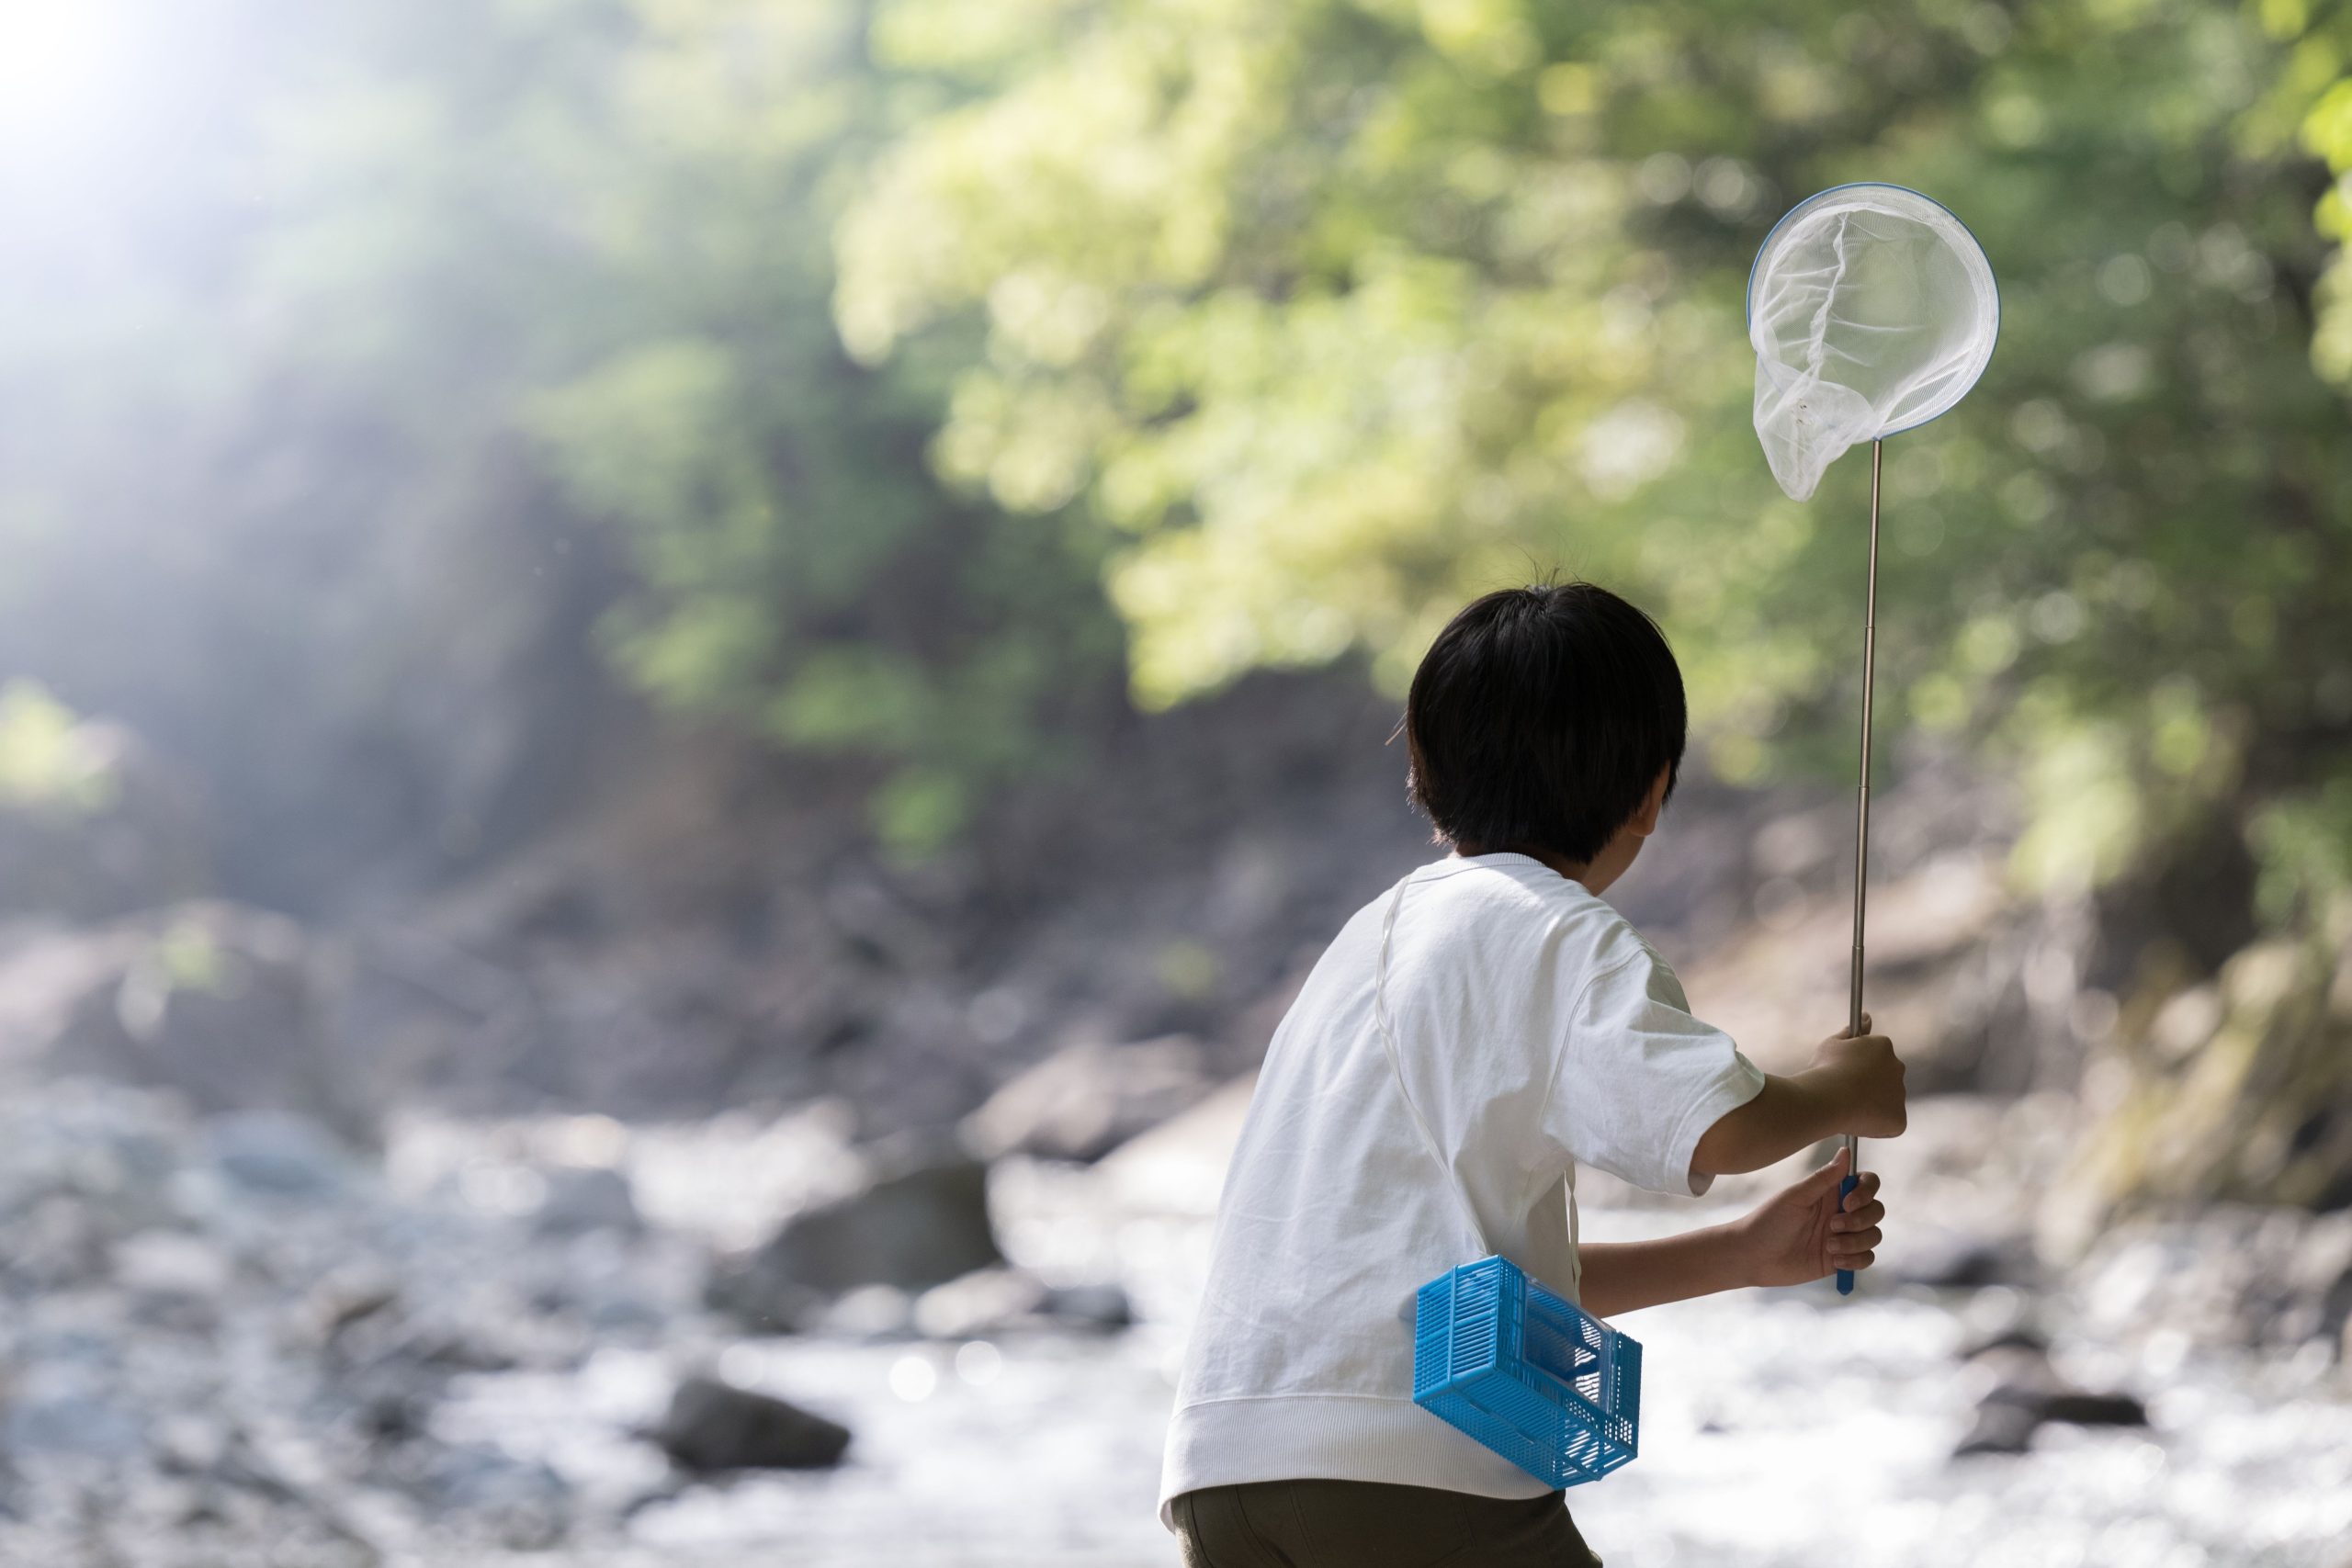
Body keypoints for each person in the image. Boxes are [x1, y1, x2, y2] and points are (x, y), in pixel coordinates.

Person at [1160, 581, 1906, 1568]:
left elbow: (1448, 1281)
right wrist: (1842, 1090)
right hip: (1406, 1466)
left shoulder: (1363, 944)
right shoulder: (1554, 930)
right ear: (1651, 792)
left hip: (1227, 1466)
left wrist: (1740, 1252)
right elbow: (1717, 1126)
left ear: (1422, 771)